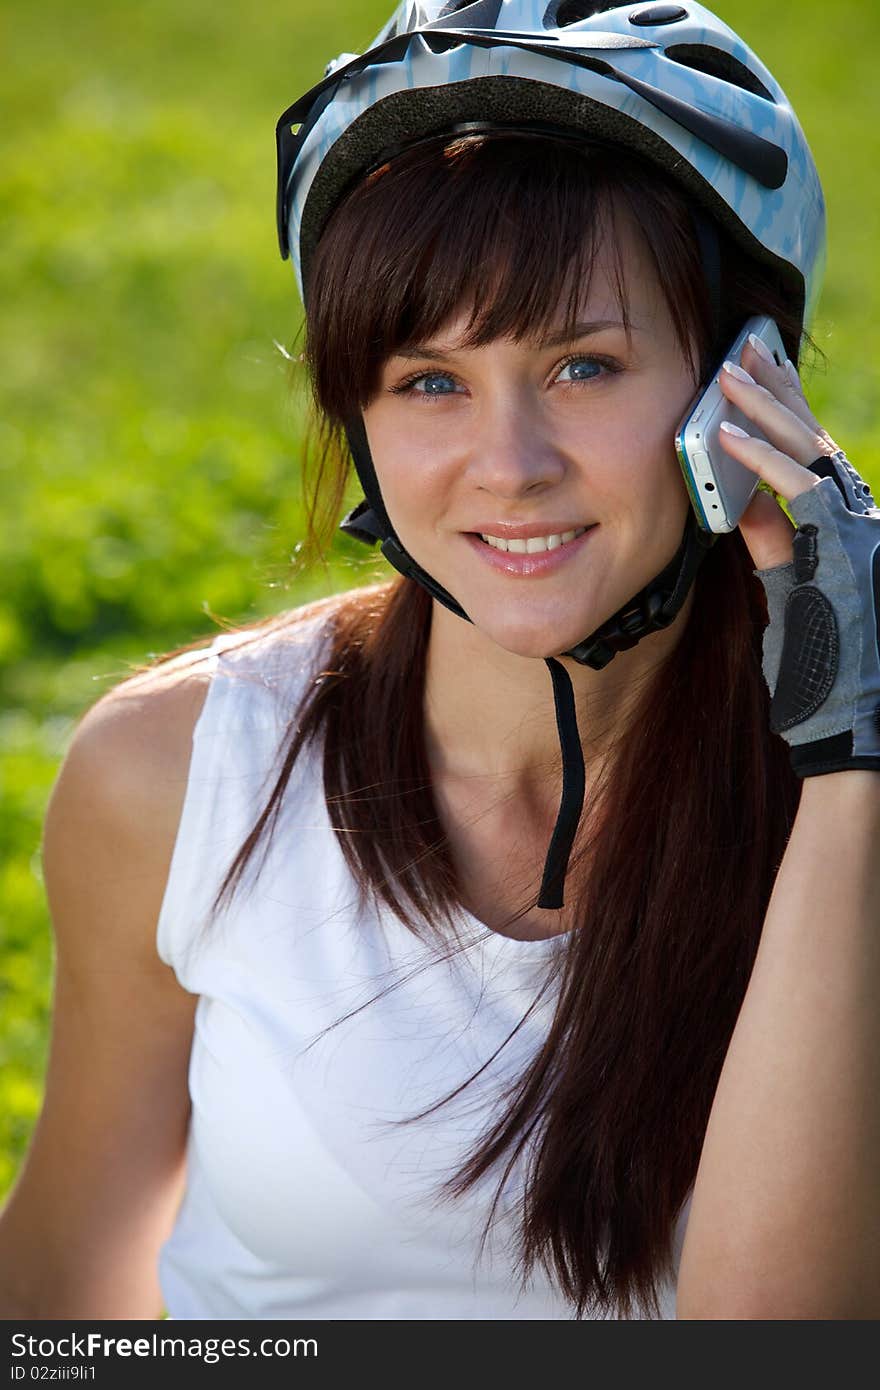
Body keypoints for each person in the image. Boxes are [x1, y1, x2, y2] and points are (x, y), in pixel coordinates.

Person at [1, 0, 878, 1322]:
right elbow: (66, 1292)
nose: (509, 465)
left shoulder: (848, 794)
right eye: (429, 381)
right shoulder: (170, 776)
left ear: (744, 382)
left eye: (585, 364)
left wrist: (849, 755)